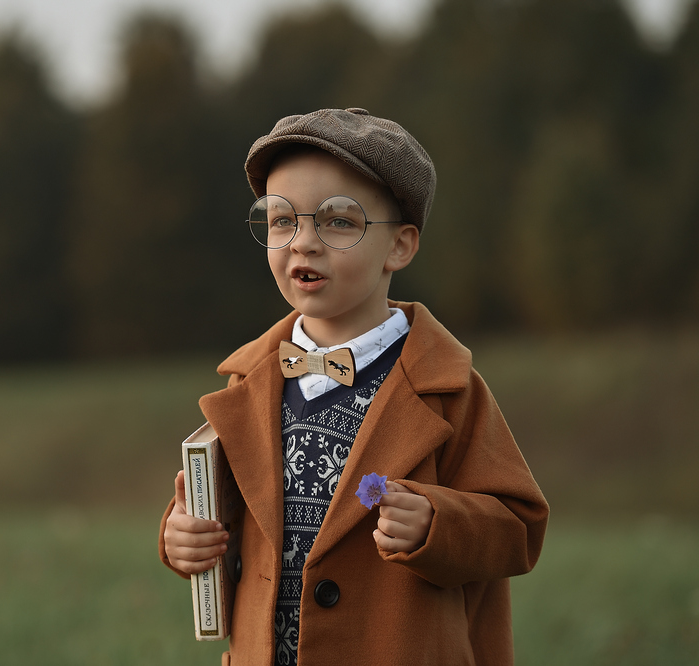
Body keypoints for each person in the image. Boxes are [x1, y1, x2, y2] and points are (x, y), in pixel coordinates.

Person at [158, 108, 549, 666]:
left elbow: (519, 527)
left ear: (400, 247)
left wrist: (436, 522)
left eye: (339, 221)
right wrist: (181, 539)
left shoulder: (447, 387)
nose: (304, 243)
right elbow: (228, 517)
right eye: (281, 220)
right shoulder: (250, 381)